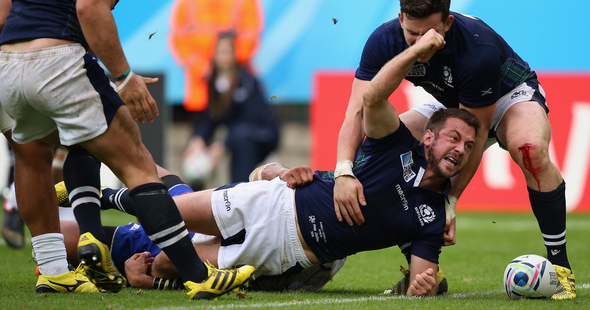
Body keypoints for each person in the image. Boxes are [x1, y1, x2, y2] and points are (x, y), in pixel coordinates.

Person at [94, 42, 482, 296]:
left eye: (468, 146)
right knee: (167, 211)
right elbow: (374, 95)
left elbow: (421, 280)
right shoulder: (397, 143)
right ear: (428, 138)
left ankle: (126, 253)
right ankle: (103, 196)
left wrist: (422, 286)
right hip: (270, 200)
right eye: (453, 138)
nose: (460, 149)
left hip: (286, 250)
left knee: (168, 262)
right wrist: (415, 51)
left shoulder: (433, 218)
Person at [0, 0, 253, 299]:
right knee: (138, 164)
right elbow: (90, 7)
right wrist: (124, 77)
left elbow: (4, 12)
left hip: (7, 61)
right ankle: (198, 276)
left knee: (33, 157)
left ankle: (54, 271)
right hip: (56, 57)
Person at [332, 0, 575, 299]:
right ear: (400, 20)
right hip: (450, 103)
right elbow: (358, 112)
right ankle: (424, 271)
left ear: (447, 24)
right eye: (412, 35)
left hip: (508, 95)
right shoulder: (383, 40)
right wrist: (343, 170)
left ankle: (560, 267)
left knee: (530, 149)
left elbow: (477, 130)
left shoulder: (477, 50)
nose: (421, 43)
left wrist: (450, 202)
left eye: (429, 34)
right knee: (379, 153)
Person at [56, 167, 345, 292]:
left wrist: (145, 282)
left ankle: (58, 256)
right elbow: (261, 172)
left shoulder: (308, 256)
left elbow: (165, 265)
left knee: (53, 238)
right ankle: (99, 196)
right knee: (138, 160)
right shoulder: (328, 196)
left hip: (169, 245)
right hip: (210, 214)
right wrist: (282, 170)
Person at [183, 32, 279, 187]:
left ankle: (240, 191)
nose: (224, 56)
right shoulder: (213, 83)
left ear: (234, 55)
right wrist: (198, 138)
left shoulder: (247, 81)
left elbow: (250, 119)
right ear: (213, 55)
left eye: (227, 51)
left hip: (263, 134)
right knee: (200, 148)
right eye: (220, 51)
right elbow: (211, 118)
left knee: (240, 140)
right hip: (238, 135)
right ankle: (197, 196)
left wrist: (222, 145)